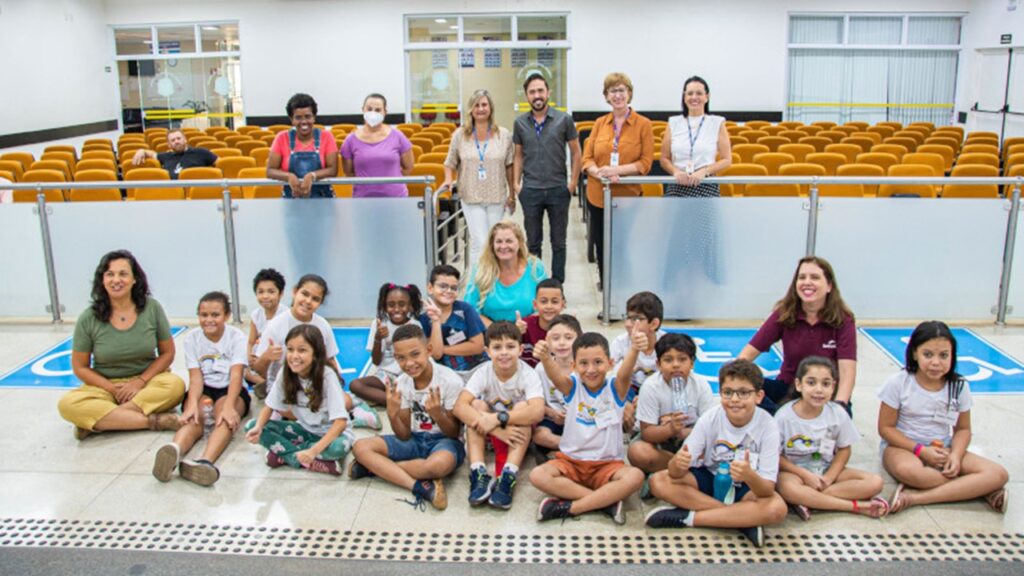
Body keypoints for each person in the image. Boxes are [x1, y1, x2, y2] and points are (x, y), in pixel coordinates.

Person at [645, 359, 787, 548]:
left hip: (746, 487)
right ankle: (742, 520)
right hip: (711, 477)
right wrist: (677, 464)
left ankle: (690, 518)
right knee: (658, 481)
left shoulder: (768, 426)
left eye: (744, 393)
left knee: (777, 508)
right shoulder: (710, 418)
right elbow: (674, 472)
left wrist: (750, 476)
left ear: (759, 396)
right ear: (720, 394)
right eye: (728, 392)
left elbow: (767, 489)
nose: (735, 399)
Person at [879, 321, 1009, 514]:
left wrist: (956, 455)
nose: (936, 362)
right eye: (928, 354)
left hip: (944, 447)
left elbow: (963, 429)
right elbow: (885, 428)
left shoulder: (959, 386)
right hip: (903, 446)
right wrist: (921, 450)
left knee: (998, 474)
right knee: (911, 472)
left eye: (944, 356)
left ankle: (915, 498)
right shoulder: (899, 382)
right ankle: (976, 489)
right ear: (915, 353)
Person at [58, 250, 185, 440]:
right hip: (105, 386)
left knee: (175, 386)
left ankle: (102, 422)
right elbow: (80, 367)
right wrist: (112, 389)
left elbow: (167, 354)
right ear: (102, 280)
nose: (116, 280)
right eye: (110, 274)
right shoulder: (88, 317)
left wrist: (139, 382)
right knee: (68, 404)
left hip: (147, 381)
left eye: (123, 274)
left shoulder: (152, 308)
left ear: (135, 279)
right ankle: (154, 421)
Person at [531, 331, 645, 524]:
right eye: (583, 363)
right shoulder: (572, 386)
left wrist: (634, 348)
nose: (591, 369)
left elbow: (625, 373)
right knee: (537, 475)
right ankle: (605, 501)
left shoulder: (615, 388)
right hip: (570, 462)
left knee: (635, 476)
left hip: (608, 465)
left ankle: (573, 507)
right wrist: (544, 357)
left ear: (610, 363)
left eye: (598, 362)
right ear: (574, 366)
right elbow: (556, 377)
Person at [349, 325, 465, 511]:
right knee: (360, 447)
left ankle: (377, 469)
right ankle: (417, 486)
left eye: (414, 354)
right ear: (395, 358)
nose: (409, 363)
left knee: (438, 465)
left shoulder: (450, 381)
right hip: (414, 439)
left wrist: (438, 415)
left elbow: (453, 433)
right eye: (401, 358)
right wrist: (392, 413)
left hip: (444, 442)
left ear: (428, 350)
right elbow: (403, 435)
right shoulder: (401, 382)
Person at [252, 273, 380, 429]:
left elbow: (330, 360)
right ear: (295, 292)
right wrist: (267, 356)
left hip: (314, 385)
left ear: (320, 303)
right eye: (304, 294)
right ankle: (323, 420)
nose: (308, 301)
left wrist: (336, 390)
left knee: (342, 402)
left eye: (315, 299)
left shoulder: (322, 325)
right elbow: (258, 369)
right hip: (286, 387)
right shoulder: (275, 325)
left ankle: (354, 411)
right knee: (294, 412)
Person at [153, 292, 249, 487]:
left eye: (215, 315)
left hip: (229, 388)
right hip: (204, 388)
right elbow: (195, 377)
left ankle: (205, 462)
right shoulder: (192, 339)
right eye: (204, 315)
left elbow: (236, 375)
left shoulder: (237, 337)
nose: (209, 320)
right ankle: (174, 450)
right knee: (194, 419)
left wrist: (230, 406)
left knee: (224, 419)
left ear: (227, 316)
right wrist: (191, 406)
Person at [739, 256, 856, 415]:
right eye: (802, 277)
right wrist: (736, 382)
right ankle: (782, 419)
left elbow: (847, 371)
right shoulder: (784, 314)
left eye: (814, 277)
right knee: (746, 388)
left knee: (843, 419)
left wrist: (840, 405)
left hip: (824, 393)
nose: (807, 282)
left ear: (829, 286)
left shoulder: (843, 320)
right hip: (788, 389)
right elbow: (746, 356)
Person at [776, 356, 887, 519]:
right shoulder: (783, 416)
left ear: (833, 386)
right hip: (795, 473)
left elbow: (844, 450)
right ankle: (853, 507)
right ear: (798, 384)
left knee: (875, 482)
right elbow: (776, 456)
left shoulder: (838, 413)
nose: (819, 390)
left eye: (826, 384)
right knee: (787, 488)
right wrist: (805, 475)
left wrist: (829, 477)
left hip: (826, 467)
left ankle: (809, 500)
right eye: (811, 383)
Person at [452, 321, 545, 510]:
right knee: (476, 404)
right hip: (489, 431)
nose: (504, 352)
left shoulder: (528, 373)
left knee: (522, 407)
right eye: (497, 347)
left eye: (510, 346)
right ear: (487, 351)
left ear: (520, 350)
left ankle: (508, 476)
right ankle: (478, 473)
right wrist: (496, 430)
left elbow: (537, 411)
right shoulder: (483, 372)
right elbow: (459, 406)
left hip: (516, 433)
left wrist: (496, 419)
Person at [246, 325, 354, 476]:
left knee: (338, 448)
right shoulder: (286, 373)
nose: (294, 356)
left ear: (315, 353)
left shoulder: (327, 376)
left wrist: (314, 450)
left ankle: (285, 454)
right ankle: (308, 460)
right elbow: (269, 407)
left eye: (302, 350)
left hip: (332, 435)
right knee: (251, 426)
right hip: (304, 429)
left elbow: (341, 423)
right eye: (290, 349)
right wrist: (258, 427)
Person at [580, 72, 654, 284]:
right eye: (613, 91)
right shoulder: (600, 123)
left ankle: (625, 291)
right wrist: (600, 172)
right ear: (606, 96)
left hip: (628, 197)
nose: (617, 95)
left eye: (621, 90)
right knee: (602, 245)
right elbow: (587, 159)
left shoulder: (643, 124)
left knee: (624, 246)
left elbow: (645, 163)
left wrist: (617, 170)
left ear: (629, 93)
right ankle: (607, 291)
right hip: (598, 196)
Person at [512, 73, 581, 283]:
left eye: (540, 90)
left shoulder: (564, 120)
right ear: (527, 96)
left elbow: (577, 152)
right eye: (532, 92)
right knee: (533, 243)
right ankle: (536, 284)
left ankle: (557, 286)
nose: (537, 95)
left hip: (558, 189)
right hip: (531, 190)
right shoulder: (520, 123)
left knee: (559, 242)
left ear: (548, 92)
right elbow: (518, 155)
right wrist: (516, 185)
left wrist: (572, 183)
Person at [628, 333, 715, 496]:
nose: (676, 365)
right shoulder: (651, 386)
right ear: (658, 364)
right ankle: (681, 471)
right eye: (668, 360)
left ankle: (667, 474)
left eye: (682, 359)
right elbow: (647, 433)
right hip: (661, 442)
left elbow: (710, 429)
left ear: (692, 363)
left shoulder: (701, 385)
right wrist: (670, 430)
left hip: (692, 439)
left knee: (715, 449)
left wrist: (684, 432)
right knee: (638, 452)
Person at [442, 89, 515, 266]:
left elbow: (510, 165)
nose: (480, 109)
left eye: (484, 104)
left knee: (495, 243)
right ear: (470, 109)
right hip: (471, 196)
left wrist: (512, 194)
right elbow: (449, 162)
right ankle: (477, 286)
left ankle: (494, 282)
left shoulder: (503, 134)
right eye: (477, 105)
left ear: (490, 108)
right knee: (479, 242)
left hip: (496, 195)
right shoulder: (460, 135)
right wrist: (447, 179)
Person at [349, 283, 424, 406]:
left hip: (409, 374)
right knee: (355, 385)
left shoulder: (415, 326)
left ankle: (392, 399)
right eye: (391, 305)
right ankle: (400, 403)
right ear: (384, 307)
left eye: (402, 304)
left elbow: (419, 358)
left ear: (410, 306)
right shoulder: (379, 324)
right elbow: (376, 361)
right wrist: (378, 339)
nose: (396, 309)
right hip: (386, 375)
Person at [464, 221, 548, 326]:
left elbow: (546, 305)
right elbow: (469, 308)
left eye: (509, 241)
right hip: (490, 333)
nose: (503, 246)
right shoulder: (481, 269)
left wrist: (524, 326)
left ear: (520, 243)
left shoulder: (536, 268)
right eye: (499, 241)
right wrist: (500, 331)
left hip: (528, 331)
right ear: (492, 245)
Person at [659, 76, 732, 197]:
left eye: (699, 93)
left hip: (705, 184)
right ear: (684, 97)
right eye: (690, 93)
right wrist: (676, 172)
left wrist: (704, 172)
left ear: (706, 97)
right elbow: (664, 159)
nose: (694, 97)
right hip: (677, 185)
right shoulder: (673, 122)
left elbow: (727, 160)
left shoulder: (717, 123)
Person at [418, 265, 487, 381]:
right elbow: (436, 354)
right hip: (447, 374)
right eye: (443, 286)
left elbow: (478, 346)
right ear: (430, 288)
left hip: (477, 367)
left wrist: (443, 348)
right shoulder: (424, 319)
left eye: (454, 288)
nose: (449, 291)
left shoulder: (465, 310)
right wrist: (435, 320)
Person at [340, 93, 414, 198]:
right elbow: (349, 172)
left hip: (396, 198)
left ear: (385, 112)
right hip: (363, 199)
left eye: (378, 110)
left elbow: (408, 167)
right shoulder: (350, 140)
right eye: (369, 109)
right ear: (363, 110)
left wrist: (391, 182)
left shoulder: (398, 136)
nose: (373, 113)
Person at [611, 291, 666, 431]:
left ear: (654, 324)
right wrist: (623, 402)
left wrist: (645, 397)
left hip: (657, 392)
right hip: (630, 390)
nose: (628, 324)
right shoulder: (620, 343)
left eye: (636, 319)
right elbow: (609, 378)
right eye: (627, 318)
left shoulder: (667, 344)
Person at [530, 314, 582, 460]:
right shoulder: (541, 368)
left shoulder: (583, 368)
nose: (562, 343)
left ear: (579, 339)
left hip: (581, 418)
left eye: (568, 337)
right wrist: (552, 413)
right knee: (540, 435)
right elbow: (536, 400)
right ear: (547, 341)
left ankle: (565, 450)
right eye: (556, 338)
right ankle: (574, 449)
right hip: (553, 419)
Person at [267, 93, 339, 198]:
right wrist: (289, 176)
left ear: (314, 117)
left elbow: (333, 170)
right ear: (291, 119)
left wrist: (312, 176)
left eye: (308, 116)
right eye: (298, 117)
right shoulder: (281, 138)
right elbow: (270, 171)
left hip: (323, 198)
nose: (304, 122)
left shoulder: (326, 137)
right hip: (291, 199)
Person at [245, 268, 286, 400]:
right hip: (260, 356)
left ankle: (270, 384)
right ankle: (263, 383)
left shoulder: (286, 315)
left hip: (277, 356)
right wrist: (249, 355)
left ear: (281, 294)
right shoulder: (256, 315)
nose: (265, 296)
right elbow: (251, 341)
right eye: (260, 292)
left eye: (271, 292)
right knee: (242, 370)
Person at [516, 278, 566, 367]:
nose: (549, 306)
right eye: (543, 301)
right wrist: (515, 333)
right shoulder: (525, 325)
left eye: (554, 302)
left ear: (562, 304)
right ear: (535, 304)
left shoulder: (569, 328)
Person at [131, 128, 216, 179]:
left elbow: (221, 164)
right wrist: (142, 151)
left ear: (185, 140)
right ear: (169, 145)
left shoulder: (201, 152)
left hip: (198, 194)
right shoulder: (166, 156)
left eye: (179, 138)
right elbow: (152, 154)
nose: (176, 141)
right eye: (173, 140)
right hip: (174, 195)